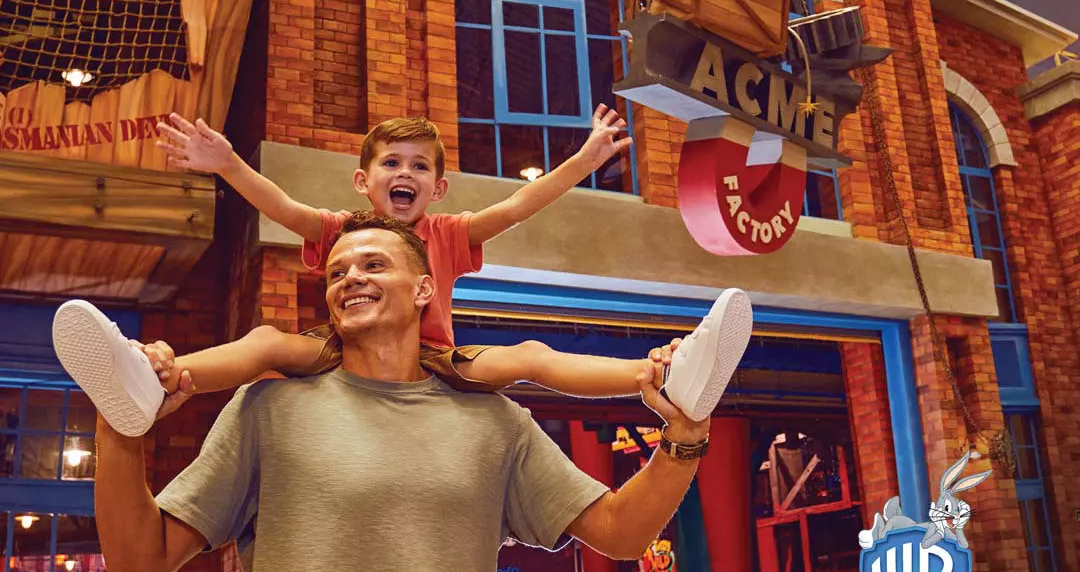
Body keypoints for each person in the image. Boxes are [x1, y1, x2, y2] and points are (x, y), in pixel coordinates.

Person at [52, 106, 752, 437]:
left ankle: (662, 377)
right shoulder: (343, 233)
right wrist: (227, 163)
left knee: (529, 355)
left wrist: (584, 159)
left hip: (437, 358)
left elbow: (519, 204)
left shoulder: (448, 234)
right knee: (268, 342)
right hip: (345, 348)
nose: (405, 173)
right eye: (392, 162)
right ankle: (157, 379)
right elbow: (283, 205)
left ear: (439, 188)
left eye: (420, 165)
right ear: (364, 180)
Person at [93, 213, 719, 572]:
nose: (349, 279)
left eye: (371, 265)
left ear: (424, 291)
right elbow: (139, 564)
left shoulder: (495, 420)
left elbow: (620, 534)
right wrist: (119, 429)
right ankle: (136, 387)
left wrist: (684, 438)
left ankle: (671, 374)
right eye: (336, 273)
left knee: (534, 359)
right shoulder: (270, 410)